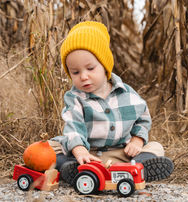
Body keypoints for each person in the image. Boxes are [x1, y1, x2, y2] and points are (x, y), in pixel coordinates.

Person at [49, 21, 174, 184]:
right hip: (87, 153)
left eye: (90, 68)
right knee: (50, 148)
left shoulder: (127, 93)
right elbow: (73, 126)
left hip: (121, 153)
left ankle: (137, 166)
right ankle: (74, 167)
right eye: (75, 72)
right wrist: (79, 151)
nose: (83, 76)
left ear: (105, 65)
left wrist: (137, 141)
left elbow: (142, 119)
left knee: (156, 147)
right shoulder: (75, 98)